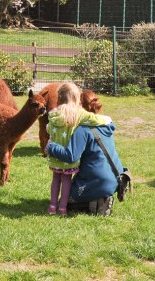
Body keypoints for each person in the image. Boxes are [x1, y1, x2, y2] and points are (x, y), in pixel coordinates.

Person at [46, 82, 112, 215]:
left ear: (59, 97)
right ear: (76, 98)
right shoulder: (78, 114)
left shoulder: (53, 114)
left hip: (54, 157)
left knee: (55, 180)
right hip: (68, 157)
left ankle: (52, 206)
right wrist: (107, 119)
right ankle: (63, 207)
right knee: (66, 180)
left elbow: (48, 128)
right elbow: (94, 119)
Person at [46, 111, 124, 216]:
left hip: (98, 180)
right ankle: (102, 197)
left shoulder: (82, 129)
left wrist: (51, 147)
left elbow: (71, 156)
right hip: (116, 179)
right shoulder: (105, 125)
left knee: (67, 200)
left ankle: (98, 203)